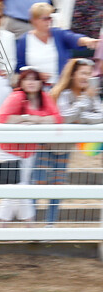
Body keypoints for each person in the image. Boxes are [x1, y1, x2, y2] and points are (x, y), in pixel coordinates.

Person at [0, 66, 61, 225]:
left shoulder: (44, 97)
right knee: (18, 187)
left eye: (34, 79)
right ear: (21, 81)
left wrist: (35, 119)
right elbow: (2, 117)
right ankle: (29, 225)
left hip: (29, 151)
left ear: (40, 82)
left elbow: (57, 118)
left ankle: (2, 226)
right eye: (27, 79)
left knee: (16, 188)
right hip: (7, 150)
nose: (31, 82)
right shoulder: (17, 96)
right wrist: (25, 117)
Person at [38, 58, 103, 224]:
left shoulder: (90, 95)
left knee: (58, 188)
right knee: (38, 184)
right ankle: (31, 224)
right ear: (73, 74)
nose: (86, 77)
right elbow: (64, 117)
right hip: (46, 146)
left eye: (89, 74)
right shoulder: (63, 94)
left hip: (65, 148)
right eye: (83, 73)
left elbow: (100, 116)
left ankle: (49, 226)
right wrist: (83, 106)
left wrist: (80, 117)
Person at [15, 2, 99, 86]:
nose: (49, 21)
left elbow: (73, 38)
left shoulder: (58, 34)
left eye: (50, 18)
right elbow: (20, 66)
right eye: (45, 19)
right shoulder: (24, 40)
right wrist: (36, 74)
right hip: (36, 88)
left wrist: (87, 41)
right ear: (34, 20)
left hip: (59, 86)